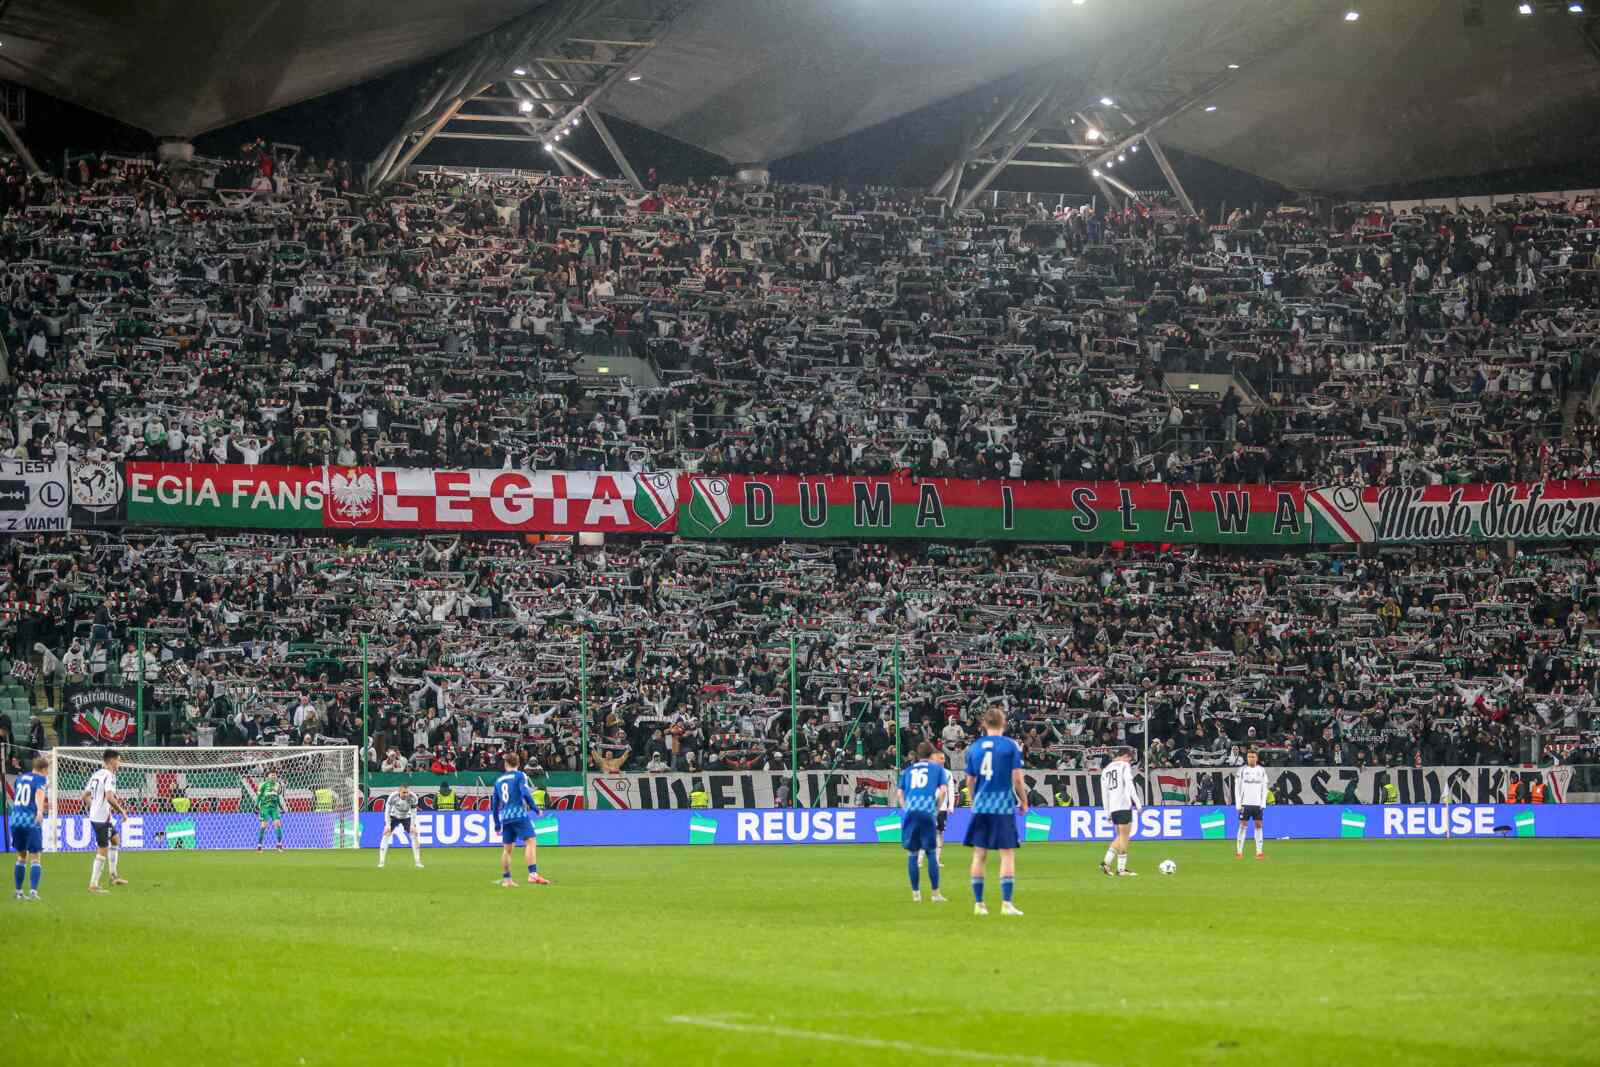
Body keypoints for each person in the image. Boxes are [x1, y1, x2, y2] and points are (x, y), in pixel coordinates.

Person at [962, 706, 1026, 917]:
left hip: (981, 806)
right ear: (1004, 723)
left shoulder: (975, 747)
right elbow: (1017, 778)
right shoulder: (1010, 746)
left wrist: (972, 800)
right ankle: (1006, 904)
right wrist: (1024, 801)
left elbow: (969, 780)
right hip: (1002, 806)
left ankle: (979, 904)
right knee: (1006, 855)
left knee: (979, 854)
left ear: (983, 724)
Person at [895, 742, 949, 903]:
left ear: (917, 755)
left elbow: (899, 792)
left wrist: (905, 807)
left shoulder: (908, 771)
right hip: (927, 812)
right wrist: (937, 809)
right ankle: (935, 893)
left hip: (911, 812)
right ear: (931, 755)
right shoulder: (937, 769)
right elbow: (944, 791)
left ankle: (916, 894)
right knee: (931, 852)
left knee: (912, 853)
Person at [490, 751, 549, 887]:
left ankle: (507, 879)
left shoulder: (498, 781)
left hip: (505, 816)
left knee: (507, 849)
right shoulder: (520, 775)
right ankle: (533, 874)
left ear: (506, 764)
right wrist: (535, 808)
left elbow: (494, 805)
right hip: (518, 813)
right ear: (518, 763)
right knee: (530, 841)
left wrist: (497, 825)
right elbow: (525, 792)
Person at [83, 749, 128, 893]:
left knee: (115, 840)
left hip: (98, 816)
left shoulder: (97, 774)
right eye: (119, 760)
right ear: (112, 760)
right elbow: (109, 797)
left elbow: (85, 795)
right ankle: (93, 885)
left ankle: (113, 876)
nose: (119, 763)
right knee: (103, 849)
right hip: (102, 818)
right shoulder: (109, 775)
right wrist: (122, 811)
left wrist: (94, 807)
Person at [11, 755, 49, 900]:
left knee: (21, 857)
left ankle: (19, 892)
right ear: (44, 769)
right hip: (30, 820)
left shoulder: (21, 778)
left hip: (16, 819)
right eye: (47, 771)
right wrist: (40, 810)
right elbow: (39, 794)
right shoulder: (40, 779)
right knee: (35, 857)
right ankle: (33, 892)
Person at [1099, 747, 1140, 877]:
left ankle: (1106, 863)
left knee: (1119, 836)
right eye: (1130, 759)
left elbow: (1104, 793)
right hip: (1123, 805)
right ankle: (1121, 870)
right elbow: (1129, 784)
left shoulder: (1105, 770)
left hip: (1113, 807)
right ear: (1125, 756)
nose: (1129, 762)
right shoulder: (1123, 766)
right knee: (1124, 837)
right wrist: (1138, 803)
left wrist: (1107, 812)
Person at [378, 783, 423, 869]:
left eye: (407, 792)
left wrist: (412, 825)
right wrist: (387, 825)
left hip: (407, 816)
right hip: (393, 816)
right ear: (399, 791)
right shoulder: (392, 797)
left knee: (414, 835)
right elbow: (387, 811)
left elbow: (414, 812)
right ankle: (381, 862)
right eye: (404, 793)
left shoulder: (413, 797)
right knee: (386, 834)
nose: (406, 795)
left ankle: (418, 862)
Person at [1235, 747, 1268, 860]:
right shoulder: (1242, 770)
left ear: (1257, 758)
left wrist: (1263, 803)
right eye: (1249, 757)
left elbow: (1265, 788)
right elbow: (1237, 788)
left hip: (1257, 804)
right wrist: (1238, 804)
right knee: (1243, 826)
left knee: (1258, 825)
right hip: (1245, 803)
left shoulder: (1262, 771)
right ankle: (1239, 852)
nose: (1251, 759)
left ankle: (1259, 852)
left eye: (1253, 757)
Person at [253, 767, 286, 851]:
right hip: (265, 808)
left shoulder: (278, 785)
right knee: (264, 825)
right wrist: (256, 805)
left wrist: (281, 807)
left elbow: (277, 797)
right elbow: (259, 796)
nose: (273, 776)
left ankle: (279, 845)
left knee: (278, 824)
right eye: (272, 775)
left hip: (274, 808)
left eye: (275, 775)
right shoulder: (263, 784)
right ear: (268, 776)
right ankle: (259, 845)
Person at [931, 749, 955, 864]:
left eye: (944, 759)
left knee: (940, 833)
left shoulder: (948, 773)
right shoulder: (928, 772)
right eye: (940, 758)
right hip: (929, 808)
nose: (943, 761)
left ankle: (936, 859)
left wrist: (951, 806)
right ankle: (919, 860)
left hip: (942, 809)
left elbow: (951, 790)